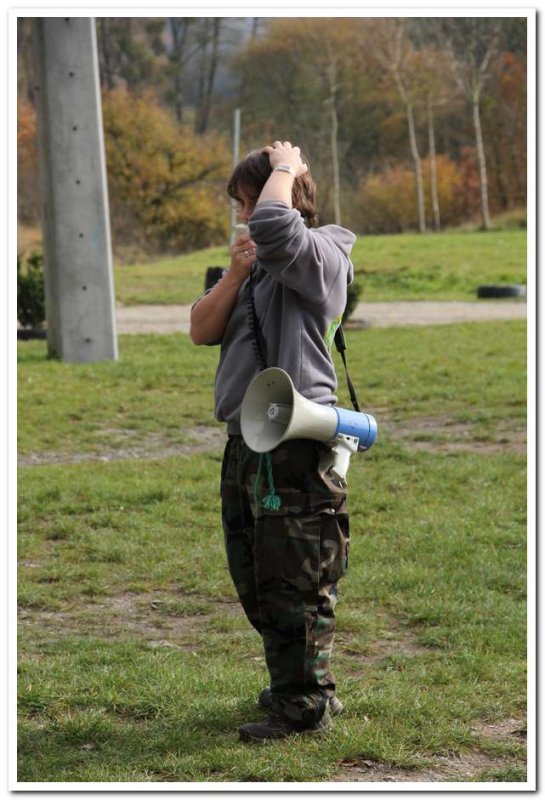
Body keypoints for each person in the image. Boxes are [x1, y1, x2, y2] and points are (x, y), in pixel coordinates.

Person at [190, 140, 357, 743]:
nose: (241, 217)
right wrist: (235, 274)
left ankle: (303, 703)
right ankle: (301, 682)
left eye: (245, 201)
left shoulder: (323, 252)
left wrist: (284, 164)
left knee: (296, 578)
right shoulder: (255, 264)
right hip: (246, 439)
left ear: (280, 196)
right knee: (258, 576)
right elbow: (199, 329)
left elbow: (275, 225)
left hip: (294, 442)